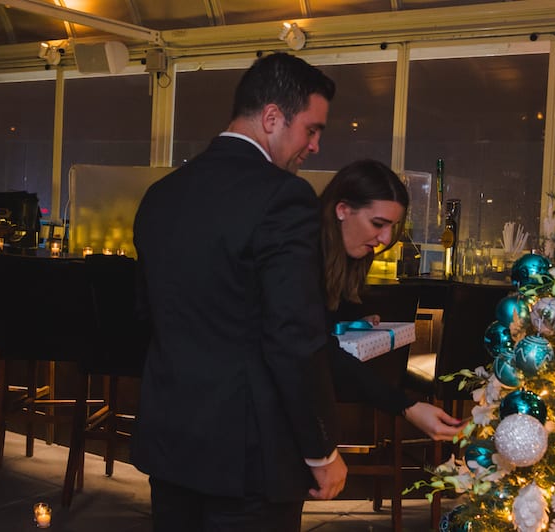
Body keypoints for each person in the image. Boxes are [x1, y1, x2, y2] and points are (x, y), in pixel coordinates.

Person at [132, 52, 346, 532]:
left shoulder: (161, 195)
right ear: (272, 117)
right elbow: (292, 338)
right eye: (311, 130)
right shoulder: (284, 197)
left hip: (171, 447)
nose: (314, 146)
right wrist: (322, 449)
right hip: (249, 459)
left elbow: (148, 314)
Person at [320, 159, 464, 440]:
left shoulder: (348, 255)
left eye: (392, 226)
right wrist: (406, 405)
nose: (385, 238)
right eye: (378, 223)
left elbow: (323, 322)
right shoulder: (299, 256)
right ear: (341, 210)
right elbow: (317, 349)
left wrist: (347, 322)